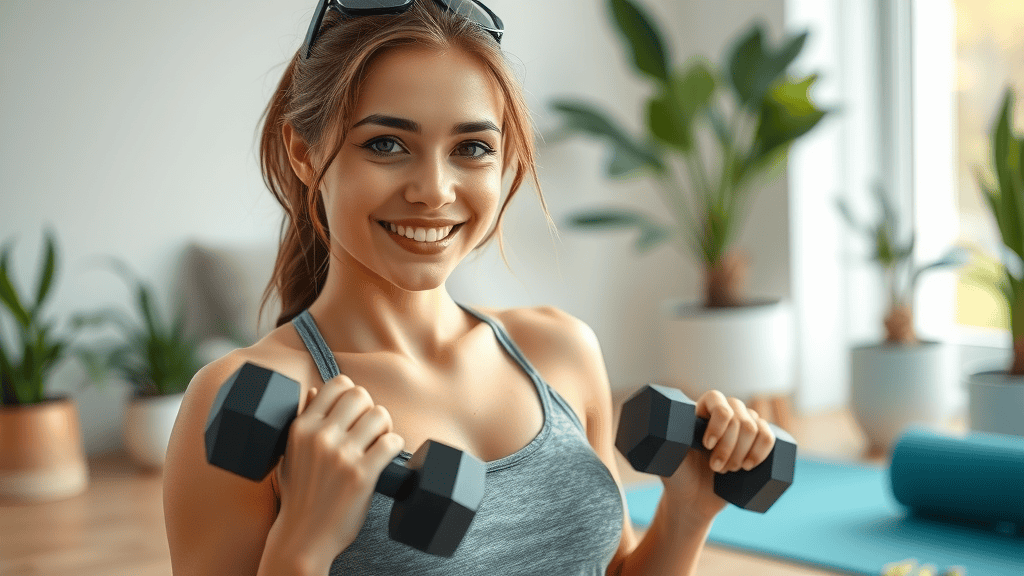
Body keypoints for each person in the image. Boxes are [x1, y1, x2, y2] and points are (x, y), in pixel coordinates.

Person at [162, 1, 779, 575]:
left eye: (472, 148)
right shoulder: (250, 399)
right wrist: (302, 544)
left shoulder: (559, 350)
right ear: (304, 152)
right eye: (386, 144)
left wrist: (687, 514)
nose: (434, 189)